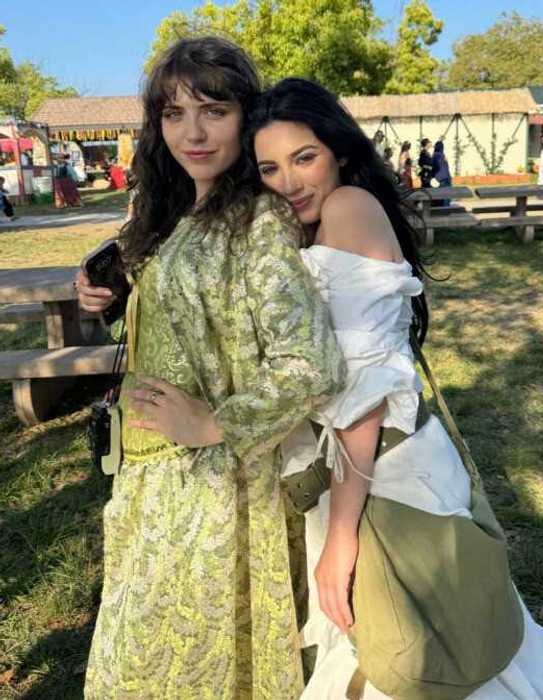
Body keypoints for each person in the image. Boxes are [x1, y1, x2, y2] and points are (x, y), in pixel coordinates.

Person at [247, 77, 543, 699]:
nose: (289, 182)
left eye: (304, 157)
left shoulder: (347, 208)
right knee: (440, 638)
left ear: (337, 150)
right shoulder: (319, 221)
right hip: (375, 468)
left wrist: (340, 540)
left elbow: (361, 391)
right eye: (269, 168)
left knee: (419, 646)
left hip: (377, 473)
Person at [74, 37, 344, 698]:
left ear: (245, 116)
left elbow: (312, 363)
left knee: (192, 664)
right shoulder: (168, 212)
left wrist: (215, 423)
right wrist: (109, 282)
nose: (191, 132)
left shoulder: (259, 221)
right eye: (173, 114)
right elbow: (184, 305)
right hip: (147, 478)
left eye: (212, 111)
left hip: (213, 484)